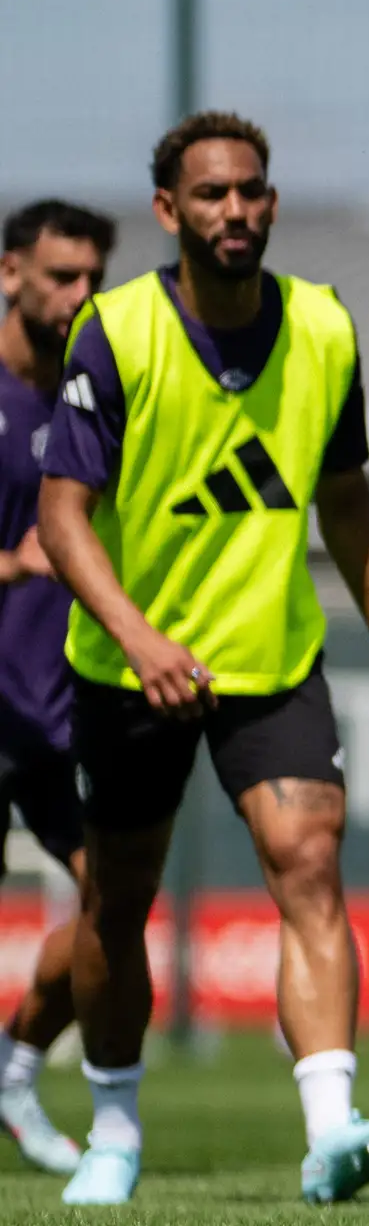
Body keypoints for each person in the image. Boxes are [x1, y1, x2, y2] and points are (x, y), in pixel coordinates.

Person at [36, 113, 369, 1209]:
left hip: (269, 656)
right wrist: (139, 637)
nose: (235, 212)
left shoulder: (324, 328)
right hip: (128, 671)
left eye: (251, 192)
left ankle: (332, 1128)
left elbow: (347, 502)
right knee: (118, 901)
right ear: (169, 212)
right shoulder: (115, 335)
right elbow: (64, 518)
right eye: (210, 195)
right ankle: (113, 1126)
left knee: (308, 857)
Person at [0, 201, 114, 1175]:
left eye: (93, 277)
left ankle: (16, 1069)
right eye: (62, 276)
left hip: (54, 712)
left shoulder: (94, 398)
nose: (81, 294)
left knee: (109, 906)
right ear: (11, 274)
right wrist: (15, 562)